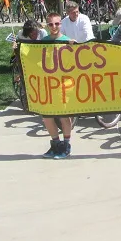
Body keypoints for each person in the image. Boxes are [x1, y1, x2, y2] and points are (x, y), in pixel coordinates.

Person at [40, 13, 75, 159]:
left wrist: (74, 47)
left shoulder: (67, 41)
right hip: (48, 84)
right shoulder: (43, 41)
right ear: (47, 26)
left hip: (63, 84)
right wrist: (18, 48)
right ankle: (56, 144)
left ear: (61, 24)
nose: (54, 27)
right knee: (46, 117)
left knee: (63, 116)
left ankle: (66, 144)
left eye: (57, 24)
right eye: (50, 24)